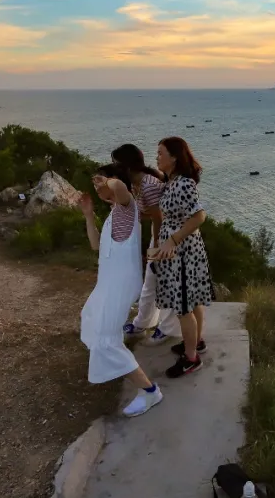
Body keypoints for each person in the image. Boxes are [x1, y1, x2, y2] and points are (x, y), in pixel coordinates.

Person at [76, 163, 163, 417]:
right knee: (92, 323)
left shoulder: (127, 207)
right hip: (108, 283)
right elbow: (94, 245)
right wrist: (89, 215)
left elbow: (121, 188)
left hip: (120, 283)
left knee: (106, 340)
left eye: (100, 183)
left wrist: (107, 182)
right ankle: (123, 368)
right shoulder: (115, 213)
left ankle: (149, 392)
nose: (98, 187)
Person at [150, 137, 215, 378]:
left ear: (174, 157)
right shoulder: (171, 182)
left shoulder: (183, 184)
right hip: (179, 252)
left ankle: (191, 359)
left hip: (183, 254)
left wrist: (172, 240)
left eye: (160, 153)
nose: (156, 157)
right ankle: (196, 343)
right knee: (192, 301)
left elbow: (199, 217)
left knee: (184, 307)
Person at [113, 144, 178, 346]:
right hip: (159, 232)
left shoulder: (148, 184)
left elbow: (158, 218)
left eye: (116, 164)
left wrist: (157, 247)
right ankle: (143, 322)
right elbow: (146, 213)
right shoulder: (135, 183)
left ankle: (167, 328)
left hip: (168, 234)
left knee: (164, 281)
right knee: (151, 279)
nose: (114, 168)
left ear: (127, 165)